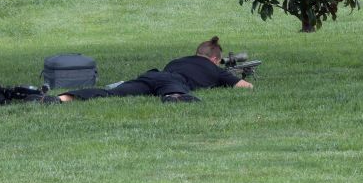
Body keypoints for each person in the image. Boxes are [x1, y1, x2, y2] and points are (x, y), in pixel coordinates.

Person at [53, 36, 253, 104]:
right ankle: (174, 97)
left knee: (110, 93)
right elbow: (244, 87)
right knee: (177, 94)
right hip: (172, 82)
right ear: (215, 59)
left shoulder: (178, 60)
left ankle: (61, 98)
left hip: (152, 75)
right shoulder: (216, 69)